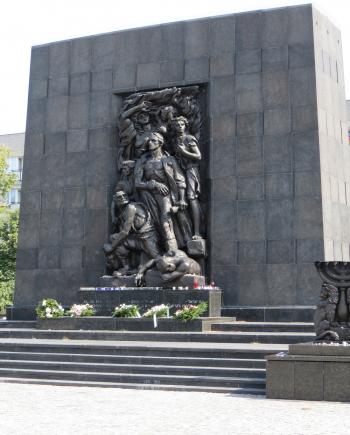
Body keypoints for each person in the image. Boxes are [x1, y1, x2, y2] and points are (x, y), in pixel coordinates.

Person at [134, 132, 191, 251]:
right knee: (153, 224)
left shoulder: (169, 160)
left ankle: (173, 253)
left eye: (153, 140)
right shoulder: (143, 162)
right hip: (148, 196)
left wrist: (181, 199)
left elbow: (179, 179)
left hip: (166, 195)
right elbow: (137, 183)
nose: (150, 143)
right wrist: (153, 184)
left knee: (166, 222)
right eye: (149, 141)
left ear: (160, 143)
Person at [103, 191, 161, 276]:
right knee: (114, 238)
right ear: (115, 200)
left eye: (124, 195)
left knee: (157, 257)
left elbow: (125, 232)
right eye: (119, 197)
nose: (123, 198)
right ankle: (126, 267)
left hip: (148, 237)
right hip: (137, 239)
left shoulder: (131, 207)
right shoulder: (122, 212)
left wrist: (111, 247)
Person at [172, 116, 202, 239]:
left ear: (185, 126)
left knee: (191, 198)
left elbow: (198, 156)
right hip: (179, 170)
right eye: (177, 125)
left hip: (190, 170)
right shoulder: (175, 140)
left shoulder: (189, 139)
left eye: (181, 125)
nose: (179, 127)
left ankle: (197, 232)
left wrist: (184, 152)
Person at [135, 249, 201, 285]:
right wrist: (140, 273)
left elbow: (166, 278)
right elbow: (154, 260)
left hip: (194, 271)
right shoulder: (172, 253)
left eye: (165, 271)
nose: (165, 272)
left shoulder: (185, 265)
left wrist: (151, 273)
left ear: (170, 266)